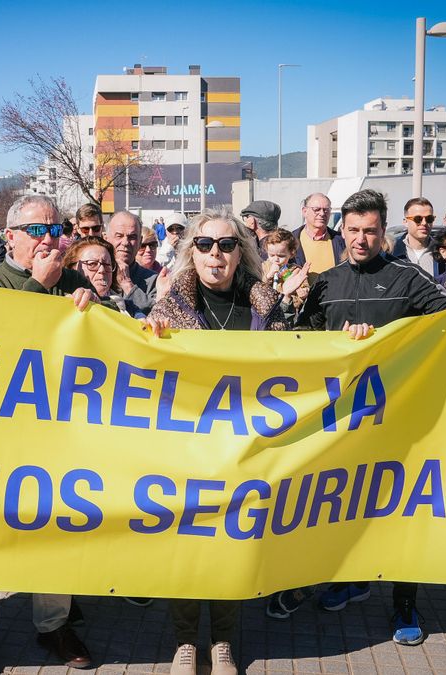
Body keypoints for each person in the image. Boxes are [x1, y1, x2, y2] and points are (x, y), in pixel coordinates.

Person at [276, 189, 446, 645]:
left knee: (398, 514)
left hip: (396, 420)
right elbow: (300, 343)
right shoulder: (326, 281)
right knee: (330, 505)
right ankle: (334, 579)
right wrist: (291, 305)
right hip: (338, 422)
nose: (361, 239)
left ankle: (404, 605)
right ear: (342, 230)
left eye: (370, 230)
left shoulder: (407, 277)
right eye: (352, 230)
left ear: (383, 229)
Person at [143, 210, 289, 675]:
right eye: (204, 245)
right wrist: (145, 339)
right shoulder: (170, 308)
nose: (215, 254)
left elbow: (294, 361)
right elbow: (143, 365)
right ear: (191, 251)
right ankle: (186, 642)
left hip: (245, 449)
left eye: (226, 245)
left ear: (241, 251)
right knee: (186, 548)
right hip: (187, 450)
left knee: (231, 546)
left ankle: (222, 642)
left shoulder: (265, 304)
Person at [0, 195, 93, 674]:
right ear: (10, 235)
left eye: (56, 230)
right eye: (38, 230)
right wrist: (39, 287)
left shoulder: (74, 281)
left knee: (53, 526)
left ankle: (53, 625)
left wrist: (91, 307)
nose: (50, 239)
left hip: (54, 431)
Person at [106, 211, 159, 316]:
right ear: (106, 239)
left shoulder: (153, 281)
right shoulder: (92, 274)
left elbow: (156, 315)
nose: (125, 242)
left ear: (140, 241)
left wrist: (128, 286)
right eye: (119, 236)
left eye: (132, 237)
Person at [63, 236, 125, 313]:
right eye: (92, 264)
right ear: (73, 268)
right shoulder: (61, 300)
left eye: (107, 265)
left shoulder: (130, 308)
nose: (102, 270)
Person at [293, 193, 344, 277]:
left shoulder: (341, 241)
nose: (322, 213)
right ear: (304, 211)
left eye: (326, 210)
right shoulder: (291, 241)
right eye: (317, 209)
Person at [390, 197, 443, 277]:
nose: (424, 223)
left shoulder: (442, 252)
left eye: (429, 219)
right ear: (405, 222)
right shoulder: (392, 252)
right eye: (418, 219)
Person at [260, 228, 308, 314]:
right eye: (271, 255)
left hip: (288, 312)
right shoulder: (264, 267)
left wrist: (302, 295)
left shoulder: (296, 271)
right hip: (266, 309)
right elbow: (258, 288)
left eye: (281, 256)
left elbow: (303, 288)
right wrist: (268, 276)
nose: (276, 259)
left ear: (291, 253)